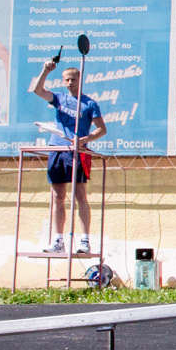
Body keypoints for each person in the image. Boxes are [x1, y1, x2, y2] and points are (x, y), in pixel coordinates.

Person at [30, 53, 106, 254]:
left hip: (77, 152)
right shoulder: (59, 99)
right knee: (57, 196)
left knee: (80, 194)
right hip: (57, 149)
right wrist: (46, 70)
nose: (70, 83)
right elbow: (37, 90)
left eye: (74, 79)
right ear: (63, 82)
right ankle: (58, 241)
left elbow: (101, 129)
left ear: (80, 80)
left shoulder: (90, 104)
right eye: (67, 80)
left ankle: (84, 241)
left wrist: (85, 139)